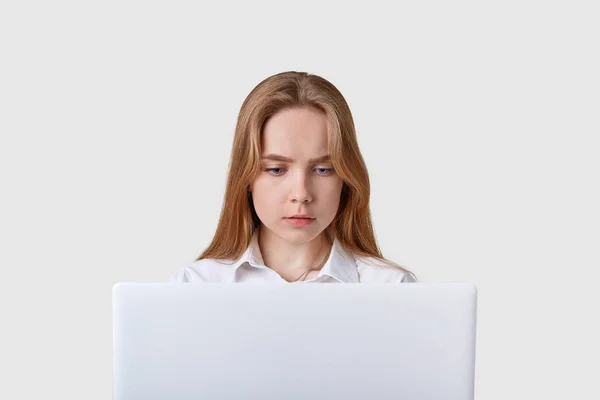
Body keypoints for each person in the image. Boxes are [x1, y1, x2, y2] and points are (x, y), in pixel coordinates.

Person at [170, 71, 416, 284]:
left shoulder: (391, 287)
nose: (301, 194)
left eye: (323, 170)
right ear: (246, 177)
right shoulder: (195, 285)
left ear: (346, 178)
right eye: (276, 169)